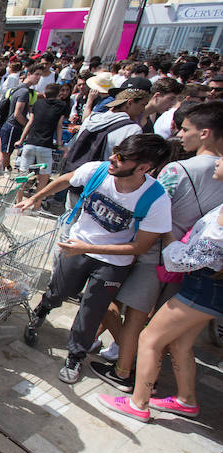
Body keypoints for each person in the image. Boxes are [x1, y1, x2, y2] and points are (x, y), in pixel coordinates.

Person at [17, 134, 173, 384]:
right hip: (77, 246)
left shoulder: (156, 199)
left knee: (92, 310)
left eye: (121, 157)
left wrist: (88, 247)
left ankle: (75, 356)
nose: (112, 158)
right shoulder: (97, 171)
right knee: (59, 291)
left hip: (113, 261)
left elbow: (141, 246)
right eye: (115, 151)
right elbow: (66, 180)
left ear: (142, 168)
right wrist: (35, 198)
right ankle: (44, 307)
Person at [91, 101, 223, 391]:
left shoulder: (179, 169)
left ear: (205, 133)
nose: (180, 134)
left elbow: (152, 206)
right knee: (159, 319)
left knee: (129, 311)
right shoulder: (218, 172)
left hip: (156, 253)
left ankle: (125, 370)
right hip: (194, 261)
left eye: (186, 129)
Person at [98, 167, 223, 422]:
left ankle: (138, 402)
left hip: (203, 288)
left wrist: (167, 237)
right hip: (206, 289)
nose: (217, 162)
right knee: (180, 344)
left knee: (150, 338)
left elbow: (191, 259)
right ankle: (186, 400)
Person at [14, 83, 67, 200]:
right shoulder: (62, 105)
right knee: (43, 179)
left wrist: (21, 140)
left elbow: (30, 122)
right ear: (58, 94)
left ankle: (17, 203)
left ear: (45, 93)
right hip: (46, 146)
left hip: (30, 144)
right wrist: (59, 144)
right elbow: (59, 126)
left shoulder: (38, 103)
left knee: (22, 176)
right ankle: (36, 205)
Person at [0, 65, 44, 175]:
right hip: (12, 126)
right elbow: (17, 114)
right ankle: (0, 179)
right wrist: (27, 126)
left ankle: (1, 178)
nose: (38, 78)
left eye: (40, 75)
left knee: (4, 155)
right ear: (29, 74)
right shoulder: (24, 92)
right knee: (4, 156)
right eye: (36, 74)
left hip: (11, 126)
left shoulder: (23, 90)